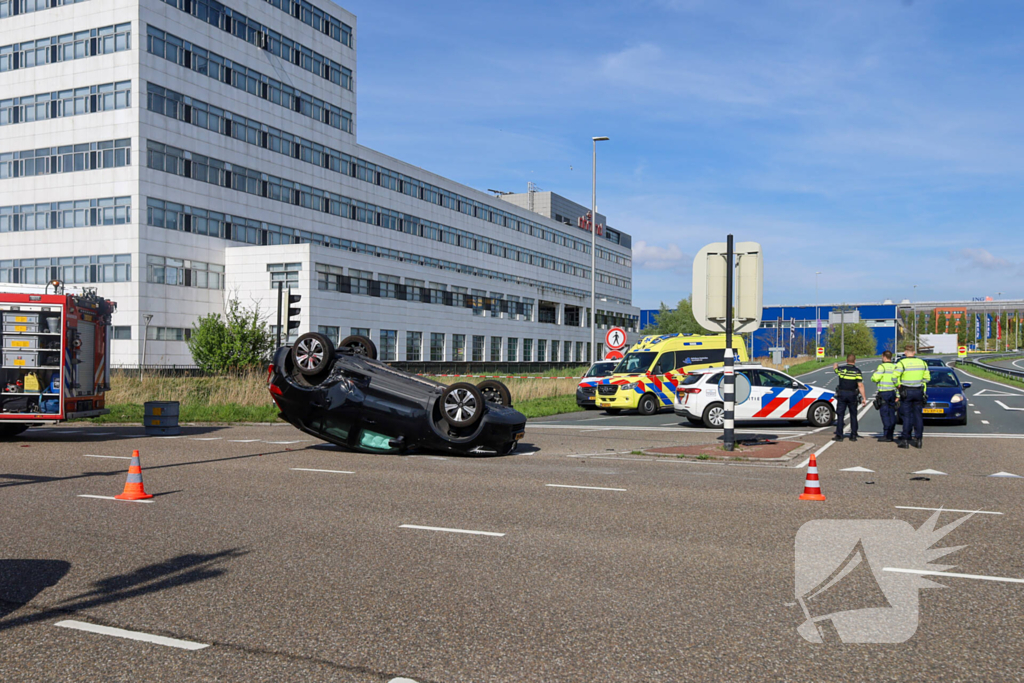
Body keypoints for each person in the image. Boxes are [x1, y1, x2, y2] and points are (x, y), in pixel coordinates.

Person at [893, 344, 931, 449]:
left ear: (905, 352)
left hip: (906, 392)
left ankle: (905, 440)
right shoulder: (922, 363)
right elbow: (927, 378)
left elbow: (894, 377)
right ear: (914, 352)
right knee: (918, 416)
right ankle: (919, 440)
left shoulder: (902, 363)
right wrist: (919, 383)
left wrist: (898, 386)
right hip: (918, 391)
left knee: (907, 417)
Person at [832, 354, 867, 442]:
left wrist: (836, 364)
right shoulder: (857, 371)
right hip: (852, 394)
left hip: (842, 394)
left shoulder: (841, 369)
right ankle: (853, 435)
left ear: (846, 360)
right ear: (854, 361)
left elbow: (835, 368)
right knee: (853, 415)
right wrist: (864, 397)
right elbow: (860, 385)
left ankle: (839, 435)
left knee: (840, 415)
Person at [871, 350, 899, 442]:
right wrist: (898, 395)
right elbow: (898, 381)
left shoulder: (882, 367)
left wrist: (874, 374)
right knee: (892, 413)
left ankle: (886, 434)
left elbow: (875, 378)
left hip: (884, 393)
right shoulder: (895, 367)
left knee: (884, 414)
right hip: (893, 392)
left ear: (884, 357)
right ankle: (890, 433)